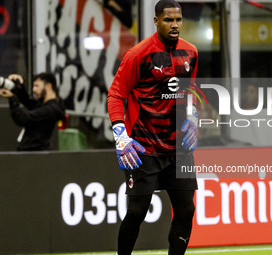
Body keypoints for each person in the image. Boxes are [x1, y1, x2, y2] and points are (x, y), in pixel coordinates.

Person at [107, 0, 198, 254]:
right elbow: (115, 95)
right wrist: (120, 135)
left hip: (179, 148)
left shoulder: (191, 52)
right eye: (169, 20)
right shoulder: (138, 54)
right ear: (156, 21)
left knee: (186, 210)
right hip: (143, 148)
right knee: (136, 212)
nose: (175, 25)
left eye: (178, 19)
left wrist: (192, 117)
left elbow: (189, 92)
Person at [0, 72, 65, 151]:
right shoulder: (44, 105)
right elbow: (27, 100)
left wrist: (12, 98)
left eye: (37, 86)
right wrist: (19, 85)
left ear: (48, 86)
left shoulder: (50, 109)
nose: (34, 89)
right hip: (31, 153)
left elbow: (22, 119)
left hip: (35, 155)